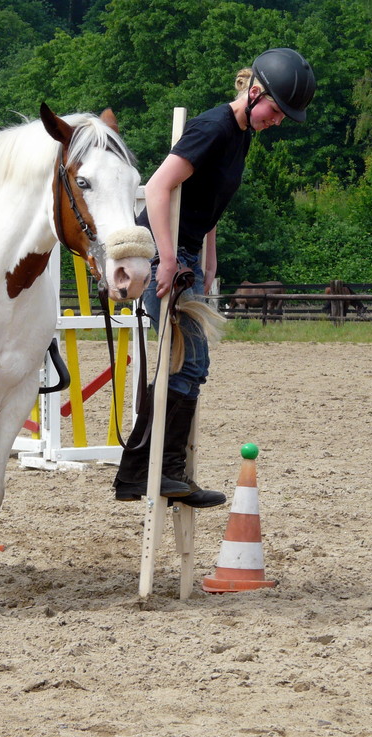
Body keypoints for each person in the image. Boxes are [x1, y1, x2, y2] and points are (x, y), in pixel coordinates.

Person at [113, 47, 316, 507]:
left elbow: (209, 201)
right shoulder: (213, 127)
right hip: (167, 255)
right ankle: (152, 472)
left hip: (188, 256)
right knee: (186, 364)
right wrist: (168, 259)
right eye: (277, 111)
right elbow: (160, 187)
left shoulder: (241, 133)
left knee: (192, 367)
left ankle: (149, 473)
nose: (278, 121)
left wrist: (210, 259)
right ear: (255, 92)